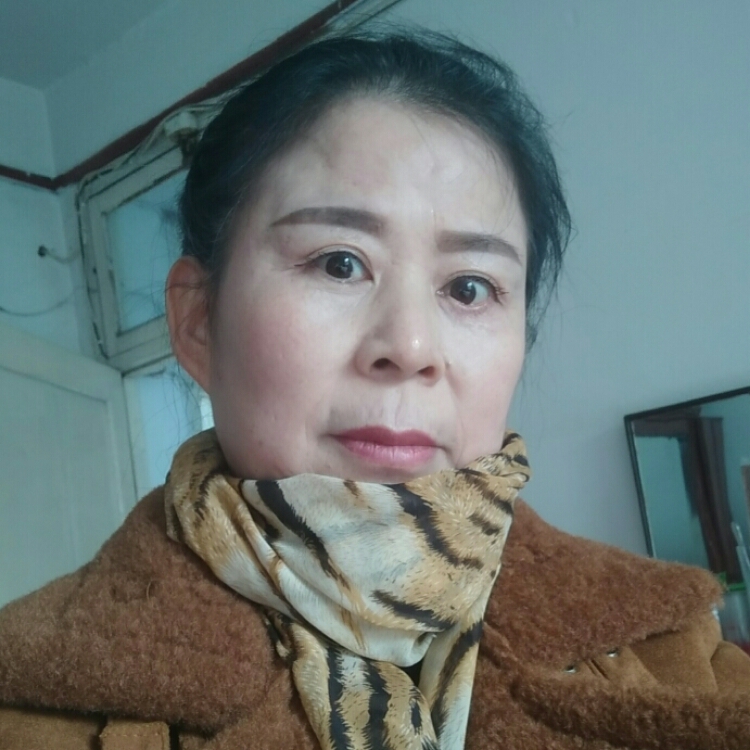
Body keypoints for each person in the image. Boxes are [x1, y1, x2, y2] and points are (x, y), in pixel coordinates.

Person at [1, 30, 748, 750]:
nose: (411, 348)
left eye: (469, 286)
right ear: (198, 321)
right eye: (339, 263)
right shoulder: (27, 696)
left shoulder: (683, 651)